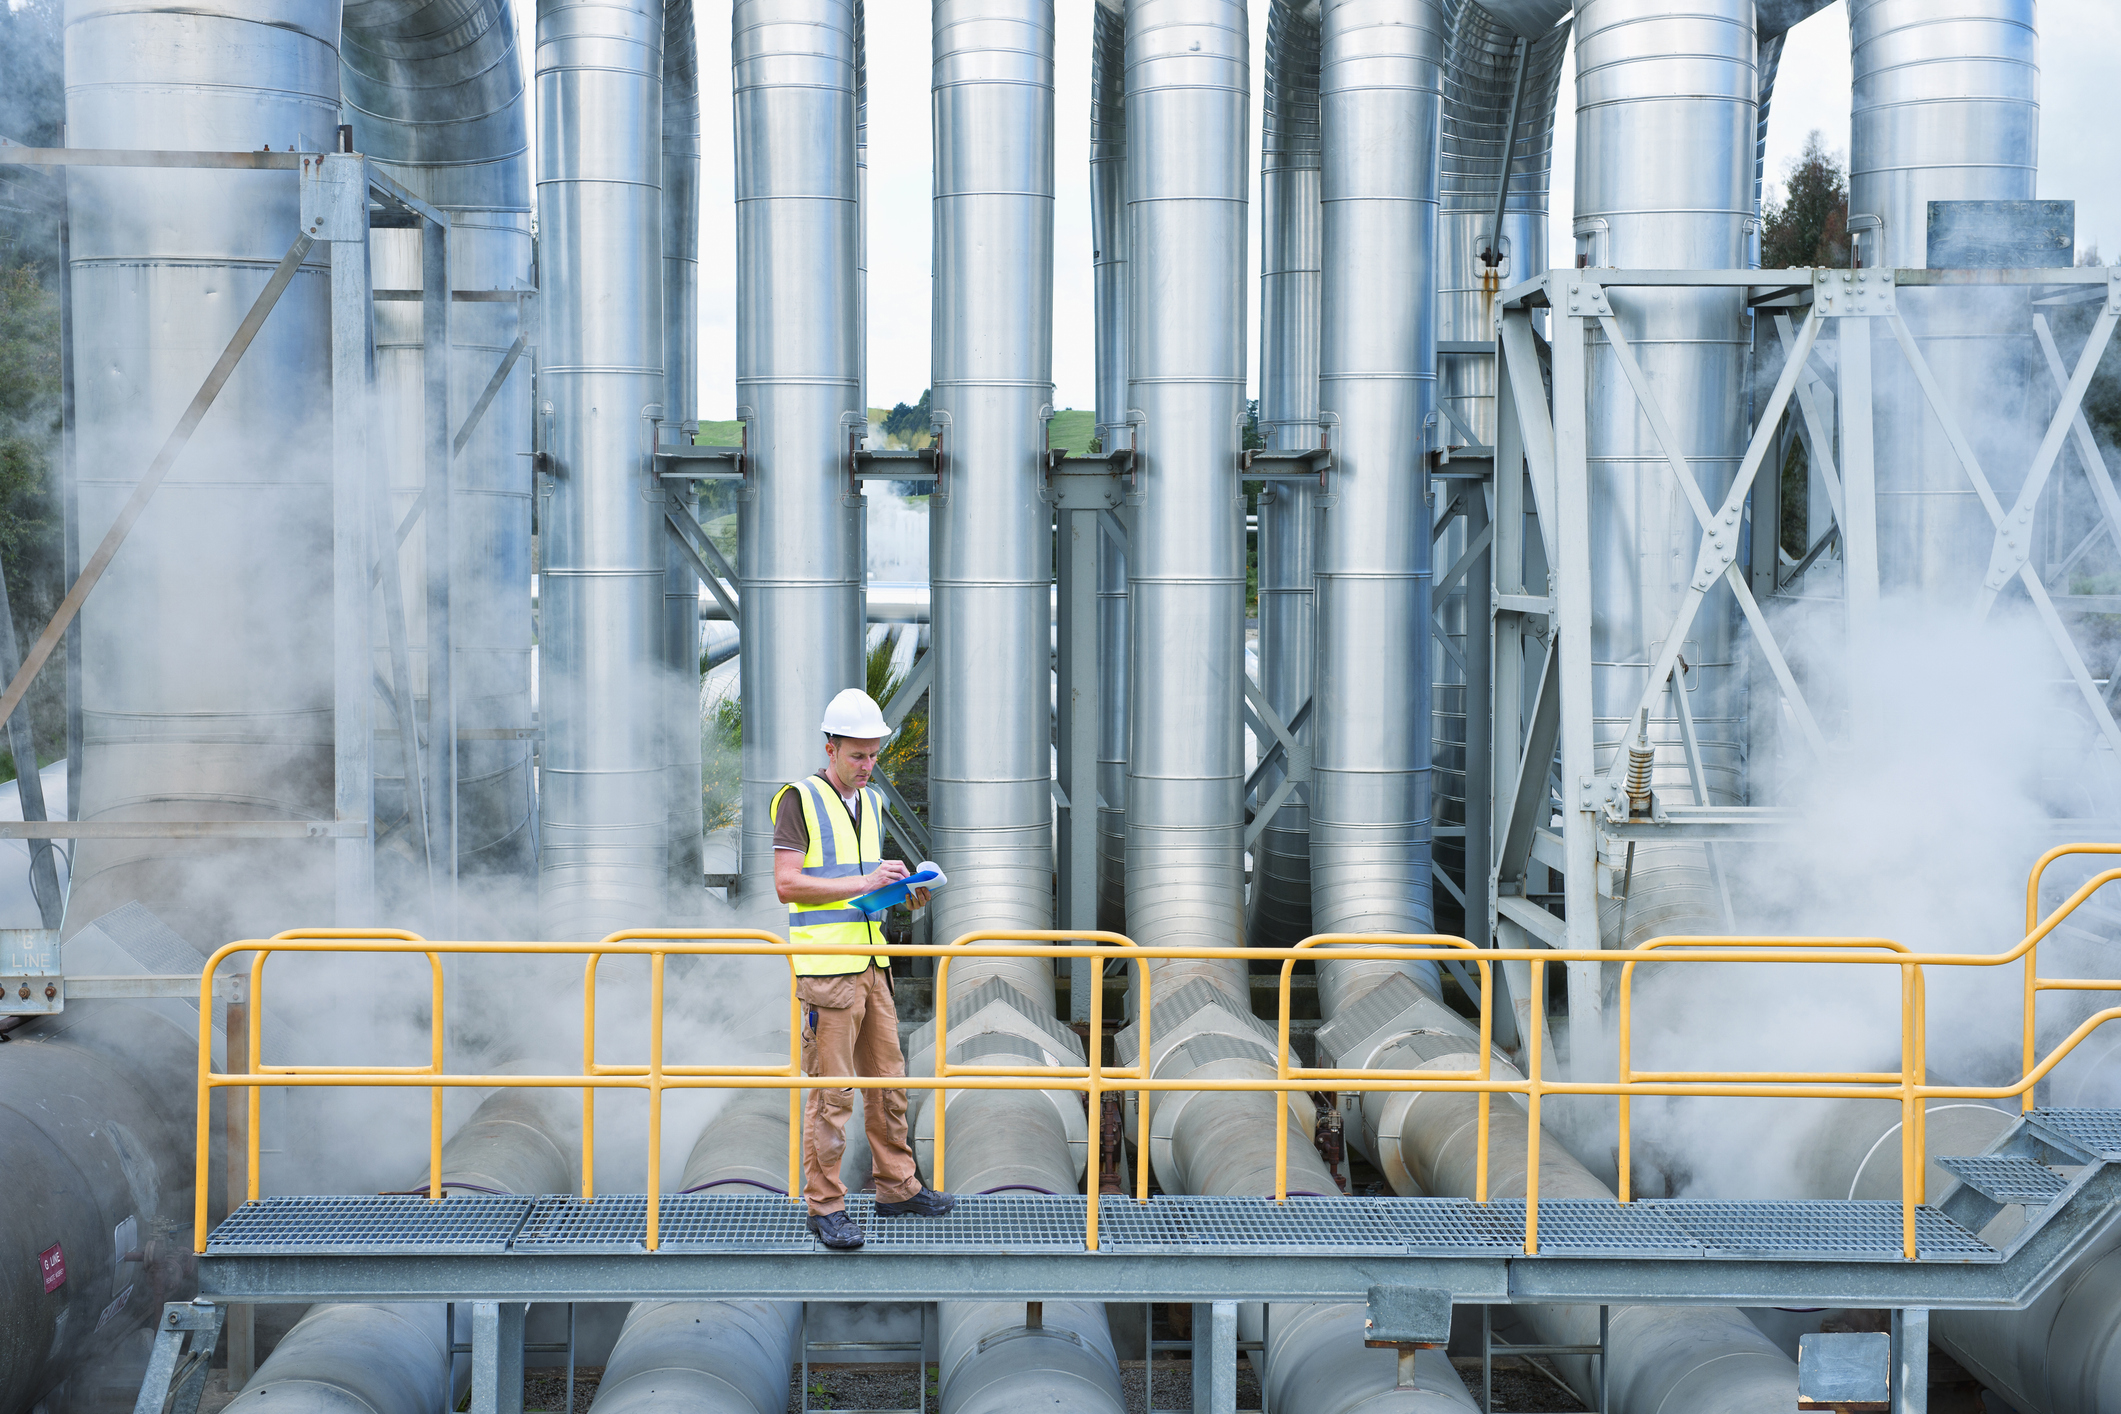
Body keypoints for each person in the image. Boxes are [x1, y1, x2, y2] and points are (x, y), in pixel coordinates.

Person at [774, 687, 957, 1249]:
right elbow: (788, 885)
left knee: (888, 1085)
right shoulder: (797, 799)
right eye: (858, 754)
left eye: (874, 754)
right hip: (827, 972)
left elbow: (859, 887)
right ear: (830, 747)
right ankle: (825, 1206)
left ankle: (897, 1188)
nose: (868, 766)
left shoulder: (870, 803)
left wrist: (903, 892)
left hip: (873, 963)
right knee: (834, 1095)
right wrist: (865, 882)